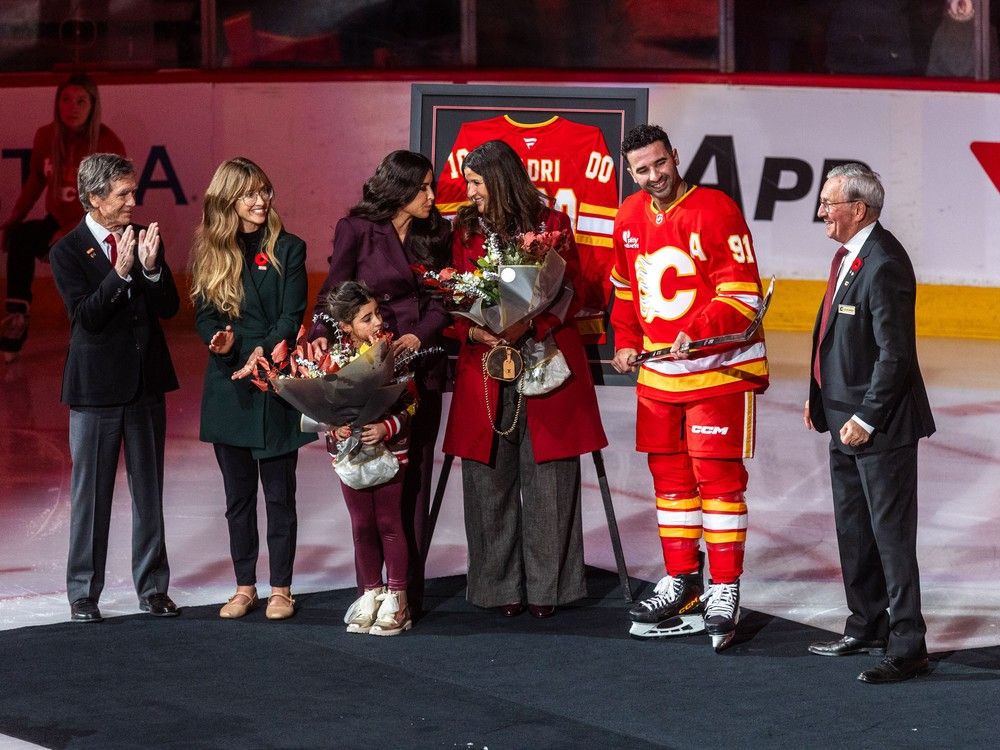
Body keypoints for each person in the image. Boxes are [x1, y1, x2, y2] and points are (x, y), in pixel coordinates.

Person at [609, 124, 769, 651]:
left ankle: (724, 586)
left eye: (660, 163)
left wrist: (693, 333)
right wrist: (627, 338)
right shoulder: (628, 216)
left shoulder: (717, 208)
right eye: (642, 170)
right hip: (659, 376)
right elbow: (627, 293)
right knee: (670, 480)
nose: (654, 176)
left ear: (675, 157)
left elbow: (742, 295)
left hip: (719, 369)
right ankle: (681, 580)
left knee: (718, 480)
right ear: (630, 173)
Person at [444, 139, 607, 619]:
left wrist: (531, 323)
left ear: (499, 179)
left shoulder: (551, 224)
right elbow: (454, 289)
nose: (470, 191)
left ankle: (548, 588)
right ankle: (497, 587)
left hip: (543, 357)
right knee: (488, 476)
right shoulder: (466, 228)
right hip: (487, 363)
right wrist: (475, 328)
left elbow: (572, 289)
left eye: (476, 182)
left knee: (549, 476)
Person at [804, 163, 935, 684]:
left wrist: (865, 416)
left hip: (879, 426)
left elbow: (895, 355)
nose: (820, 212)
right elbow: (832, 338)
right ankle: (866, 624)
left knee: (891, 536)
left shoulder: (884, 263)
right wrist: (822, 401)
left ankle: (908, 645)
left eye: (828, 203)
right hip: (842, 417)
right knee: (854, 530)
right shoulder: (849, 258)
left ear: (857, 209)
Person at [309, 150, 450, 617]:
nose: (432, 196)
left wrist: (419, 334)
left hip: (420, 366)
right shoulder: (356, 229)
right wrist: (321, 351)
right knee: (370, 495)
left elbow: (443, 300)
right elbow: (334, 295)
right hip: (367, 372)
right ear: (400, 190)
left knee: (413, 480)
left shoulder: (436, 231)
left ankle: (406, 593)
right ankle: (370, 590)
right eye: (424, 188)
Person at [48, 152, 179, 623]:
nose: (132, 201)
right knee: (92, 496)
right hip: (95, 392)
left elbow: (168, 308)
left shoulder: (143, 236)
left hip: (145, 387)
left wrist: (148, 270)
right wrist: (120, 274)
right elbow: (86, 317)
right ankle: (83, 593)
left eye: (133, 192)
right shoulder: (66, 251)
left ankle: (153, 588)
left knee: (149, 492)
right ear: (95, 198)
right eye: (123, 194)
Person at [190, 157, 315, 621]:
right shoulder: (209, 253)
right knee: (237, 499)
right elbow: (205, 317)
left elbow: (290, 317)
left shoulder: (290, 248)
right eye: (249, 193)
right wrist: (220, 343)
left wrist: (257, 351)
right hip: (231, 389)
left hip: (275, 384)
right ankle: (244, 586)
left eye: (264, 190)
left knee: (280, 497)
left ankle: (281, 588)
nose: (261, 200)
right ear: (228, 201)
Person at [1, 73, 125, 361]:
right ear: (57, 104)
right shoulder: (46, 136)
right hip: (57, 223)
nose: (73, 107)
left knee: (92, 269)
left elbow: (112, 207)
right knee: (21, 237)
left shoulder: (107, 143)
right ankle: (17, 317)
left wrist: (72, 231)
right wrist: (14, 218)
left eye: (81, 101)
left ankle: (98, 330)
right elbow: (35, 180)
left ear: (93, 105)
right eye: (66, 100)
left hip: (97, 227)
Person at [325, 281, 415, 636]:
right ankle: (370, 593)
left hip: (391, 451)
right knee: (362, 526)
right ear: (346, 326)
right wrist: (335, 429)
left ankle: (398, 599)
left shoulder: (395, 352)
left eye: (377, 313)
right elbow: (324, 407)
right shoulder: (333, 359)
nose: (377, 321)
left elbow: (411, 404)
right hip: (351, 456)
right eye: (367, 318)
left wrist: (387, 427)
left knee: (389, 524)